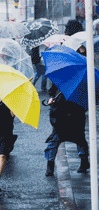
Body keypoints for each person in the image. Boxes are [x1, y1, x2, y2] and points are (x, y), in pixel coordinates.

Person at [44, 45, 89, 176]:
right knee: (55, 140)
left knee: (79, 139)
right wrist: (52, 98)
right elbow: (52, 91)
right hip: (60, 115)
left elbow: (86, 100)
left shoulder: (84, 81)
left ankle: (84, 162)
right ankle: (50, 165)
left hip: (75, 114)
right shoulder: (60, 76)